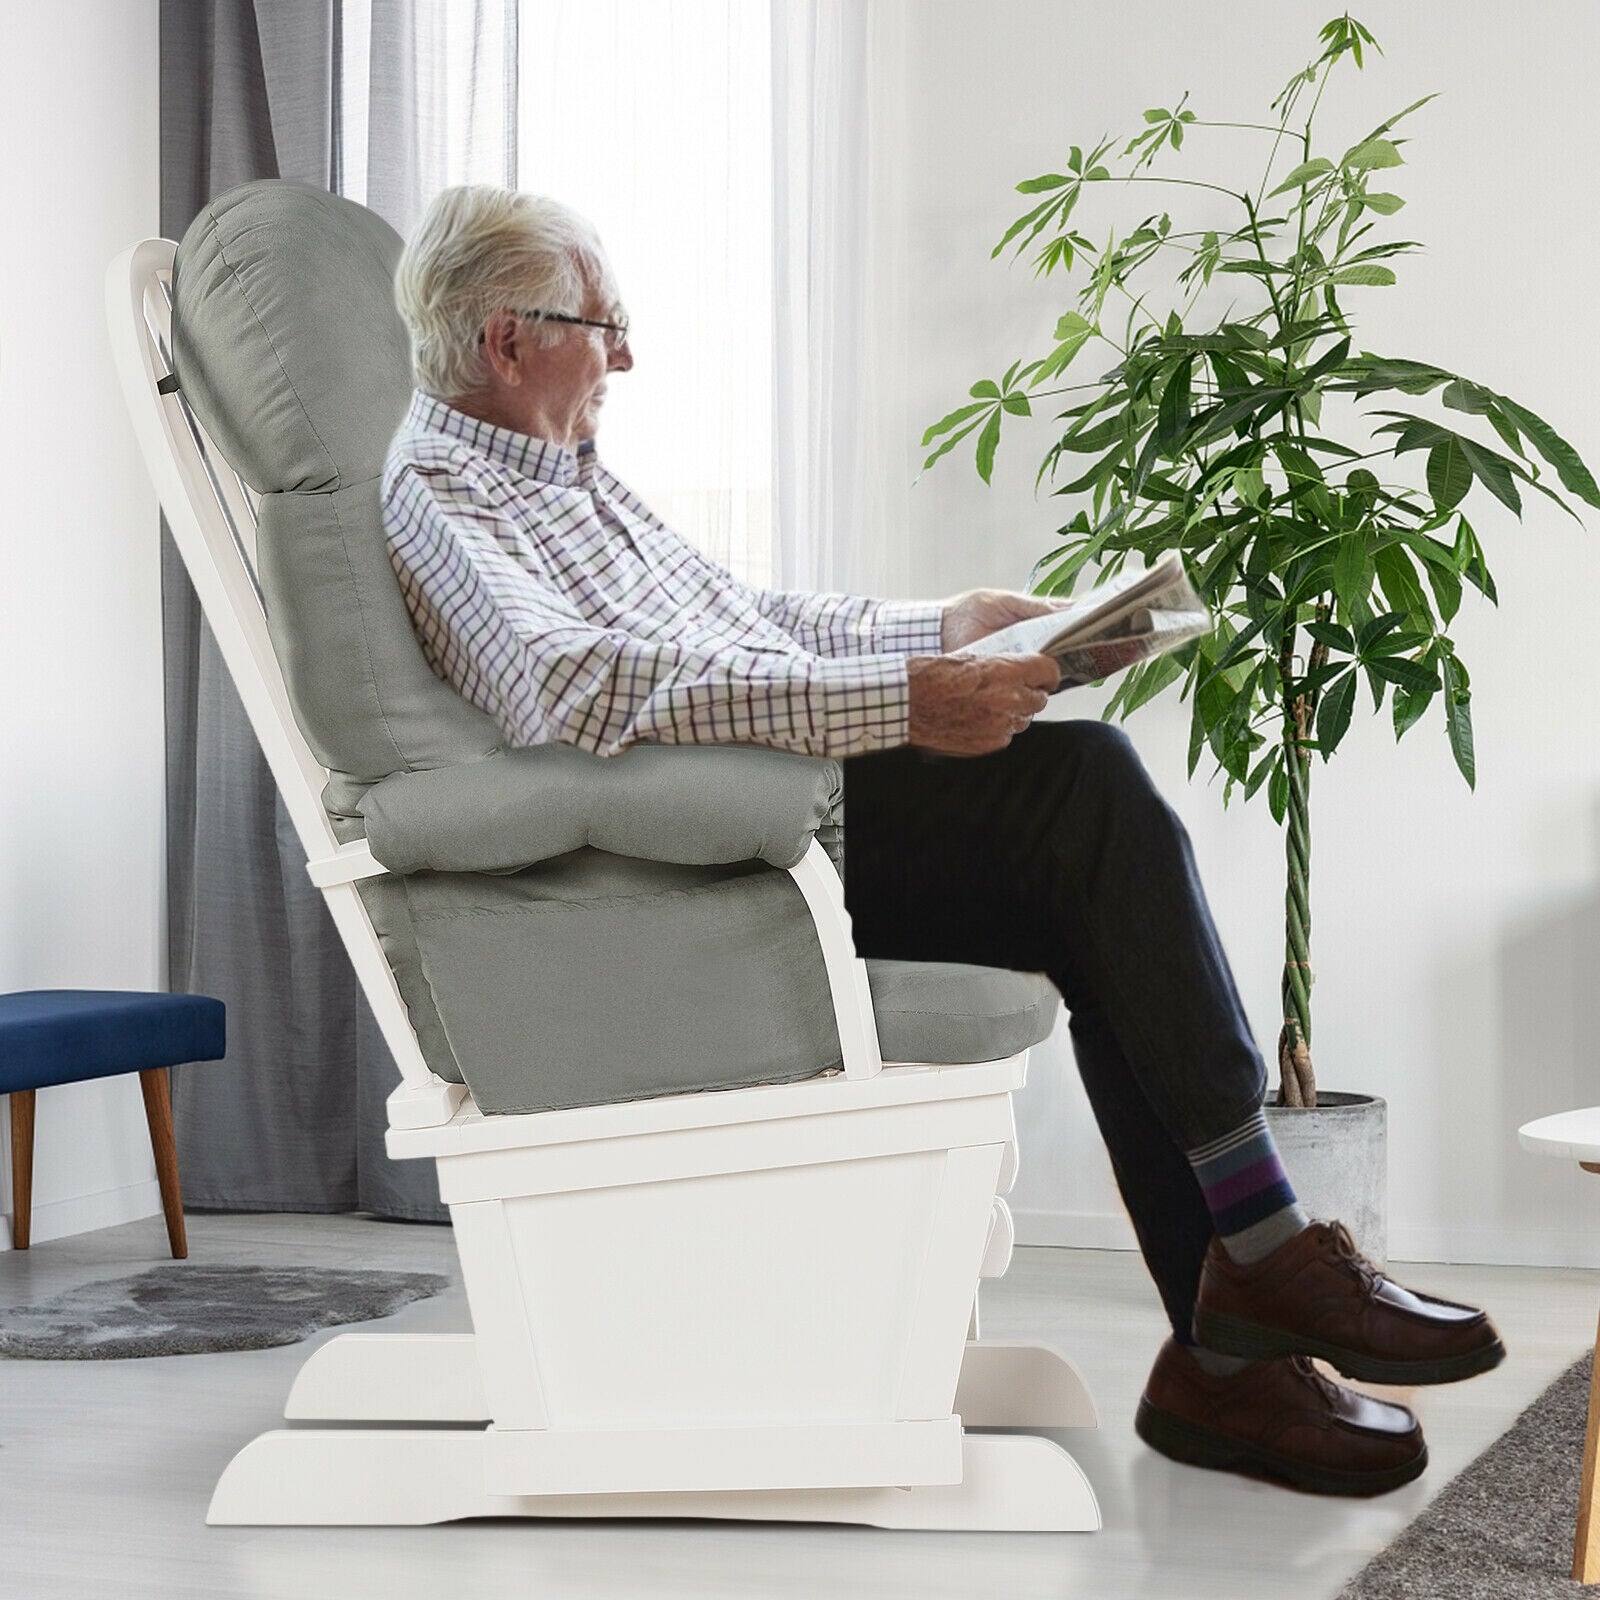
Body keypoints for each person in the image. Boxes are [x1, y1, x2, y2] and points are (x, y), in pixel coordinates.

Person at [381, 184, 1504, 1498]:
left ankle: (1235, 1355)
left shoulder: (566, 475)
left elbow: (749, 617)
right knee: (1080, 792)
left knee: (1095, 878)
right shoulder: (443, 493)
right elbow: (577, 690)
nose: (625, 356)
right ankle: (1258, 1273)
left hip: (775, 827)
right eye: (602, 326)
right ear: (509, 340)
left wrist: (945, 629)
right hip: (715, 871)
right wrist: (905, 705)